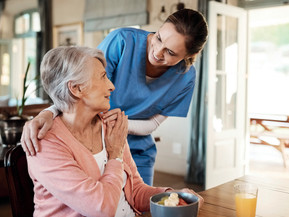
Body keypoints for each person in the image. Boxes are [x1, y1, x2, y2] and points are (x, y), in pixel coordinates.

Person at [21, 8, 209, 185]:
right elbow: (79, 86)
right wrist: (49, 112)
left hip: (137, 151)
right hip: (92, 145)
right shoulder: (122, 41)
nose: (157, 52)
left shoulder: (186, 78)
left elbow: (153, 124)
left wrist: (118, 127)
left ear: (190, 54)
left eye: (170, 52)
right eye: (158, 38)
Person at [26, 46, 203, 216]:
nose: (111, 86)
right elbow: (101, 209)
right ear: (76, 88)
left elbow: (135, 191)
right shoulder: (45, 143)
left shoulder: (108, 126)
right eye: (103, 77)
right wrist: (115, 156)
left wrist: (172, 197)